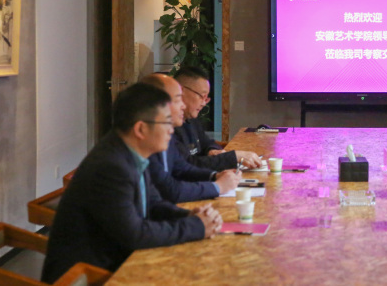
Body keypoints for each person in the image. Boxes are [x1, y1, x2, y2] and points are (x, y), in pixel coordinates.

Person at [41, 83, 222, 282]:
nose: (172, 130)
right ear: (141, 129)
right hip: (88, 276)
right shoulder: (111, 166)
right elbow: (135, 234)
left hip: (115, 262)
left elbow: (153, 203)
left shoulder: (130, 151)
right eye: (166, 122)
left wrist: (190, 215)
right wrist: (196, 227)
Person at [140, 74, 241, 203]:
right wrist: (218, 186)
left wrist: (215, 176)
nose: (182, 106)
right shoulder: (144, 145)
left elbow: (182, 168)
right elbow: (170, 190)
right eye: (178, 100)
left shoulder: (174, 129)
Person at [173, 66, 262, 170]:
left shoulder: (191, 118)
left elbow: (206, 143)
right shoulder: (168, 124)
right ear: (181, 90)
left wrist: (212, 150)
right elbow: (186, 165)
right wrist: (231, 158)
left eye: (206, 98)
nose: (204, 103)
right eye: (201, 96)